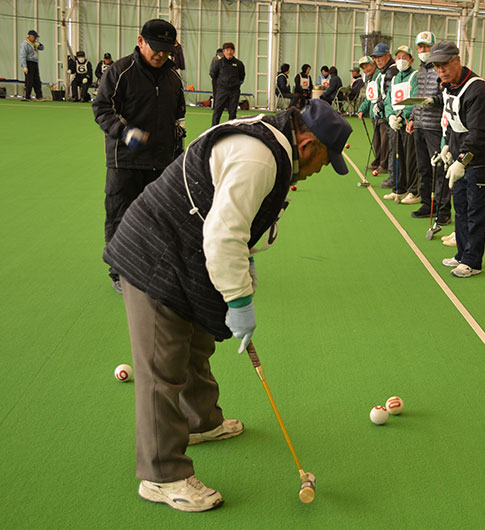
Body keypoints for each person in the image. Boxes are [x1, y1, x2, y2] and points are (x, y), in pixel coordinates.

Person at [103, 100, 352, 513]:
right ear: (307, 144)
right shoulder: (260, 159)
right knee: (161, 364)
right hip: (154, 252)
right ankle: (161, 475)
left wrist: (246, 268)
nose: (322, 170)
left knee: (197, 338)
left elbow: (236, 225)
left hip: (186, 250)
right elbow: (223, 237)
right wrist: (238, 300)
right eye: (326, 160)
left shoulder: (270, 141)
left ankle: (202, 422)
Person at [93, 19, 185, 294]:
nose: (161, 55)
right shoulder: (121, 71)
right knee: (121, 215)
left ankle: (151, 269)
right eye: (155, 48)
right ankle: (120, 272)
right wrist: (123, 131)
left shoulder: (173, 78)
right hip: (126, 160)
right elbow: (101, 107)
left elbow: (178, 116)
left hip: (161, 162)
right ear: (140, 41)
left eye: (166, 50)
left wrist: (177, 148)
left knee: (158, 218)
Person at [427, 40, 485, 278]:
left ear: (457, 60)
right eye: (436, 67)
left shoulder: (477, 89)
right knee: (459, 206)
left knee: (476, 210)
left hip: (479, 159)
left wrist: (462, 159)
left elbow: (480, 134)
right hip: (459, 156)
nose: (441, 71)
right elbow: (451, 120)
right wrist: (447, 146)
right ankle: (461, 254)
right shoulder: (448, 86)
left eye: (444, 65)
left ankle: (473, 261)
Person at [408, 31, 450, 224]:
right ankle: (427, 205)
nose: (423, 50)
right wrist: (411, 118)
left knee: (439, 170)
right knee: (423, 168)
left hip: (435, 127)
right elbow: (417, 98)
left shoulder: (440, 70)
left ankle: (443, 211)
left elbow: (446, 98)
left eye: (426, 46)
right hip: (419, 125)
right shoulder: (421, 71)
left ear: (434, 47)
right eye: (420, 47)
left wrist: (432, 100)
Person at [383, 45, 419, 204]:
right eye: (398, 57)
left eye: (405, 57)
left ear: (411, 60)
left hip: (407, 122)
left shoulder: (415, 76)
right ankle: (399, 188)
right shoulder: (395, 78)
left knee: (410, 158)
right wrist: (390, 115)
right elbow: (388, 100)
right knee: (397, 156)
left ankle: (413, 191)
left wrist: (401, 115)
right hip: (395, 124)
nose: (401, 60)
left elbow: (415, 100)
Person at [372, 43, 398, 182]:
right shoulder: (384, 71)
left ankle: (392, 174)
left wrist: (380, 105)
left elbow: (389, 94)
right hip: (386, 112)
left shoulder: (391, 71)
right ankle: (390, 173)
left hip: (392, 114)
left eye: (380, 56)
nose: (377, 60)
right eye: (375, 58)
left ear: (388, 55)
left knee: (391, 145)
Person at [356, 56, 386, 172]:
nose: (365, 69)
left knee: (384, 142)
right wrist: (361, 109)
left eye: (367, 66)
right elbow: (369, 98)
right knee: (376, 140)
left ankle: (384, 165)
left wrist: (379, 107)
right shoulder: (370, 80)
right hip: (374, 115)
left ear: (373, 64)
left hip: (382, 113)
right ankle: (377, 161)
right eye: (363, 68)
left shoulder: (380, 76)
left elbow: (382, 95)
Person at [210, 42, 245, 126]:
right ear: (223, 51)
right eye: (227, 50)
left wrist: (235, 85)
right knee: (217, 112)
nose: (229, 52)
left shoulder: (239, 64)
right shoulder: (218, 63)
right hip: (222, 90)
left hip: (234, 91)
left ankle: (231, 131)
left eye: (231, 50)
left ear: (234, 51)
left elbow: (242, 77)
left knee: (233, 113)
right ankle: (213, 130)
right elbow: (214, 75)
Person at [19, 30, 44, 100]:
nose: (35, 39)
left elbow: (42, 48)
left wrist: (39, 45)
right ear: (30, 37)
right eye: (34, 37)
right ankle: (27, 96)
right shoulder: (25, 44)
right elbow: (22, 56)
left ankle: (39, 96)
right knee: (29, 81)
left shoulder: (34, 43)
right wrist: (24, 66)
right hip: (28, 63)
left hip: (35, 63)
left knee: (37, 80)